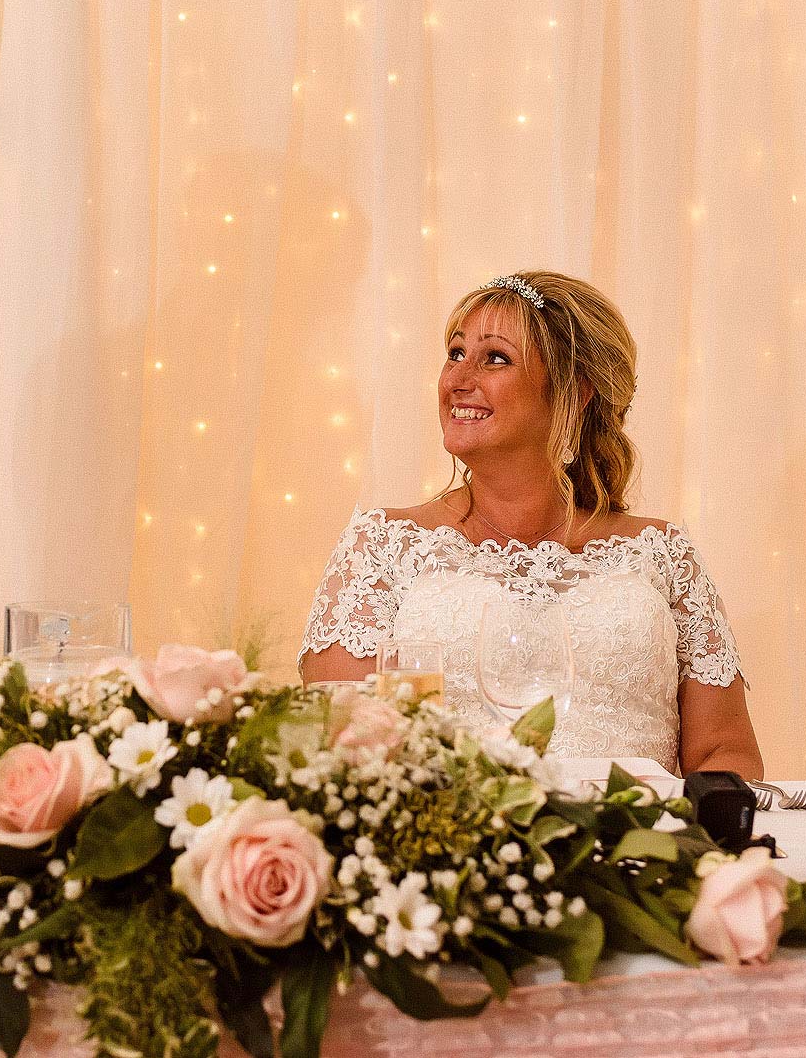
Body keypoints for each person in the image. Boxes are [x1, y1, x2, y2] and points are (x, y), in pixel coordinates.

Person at [298, 271, 762, 778]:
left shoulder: (662, 552)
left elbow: (725, 754)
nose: (458, 379)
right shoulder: (381, 545)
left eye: (495, 358)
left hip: (644, 849)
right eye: (455, 353)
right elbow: (341, 752)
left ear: (577, 391)